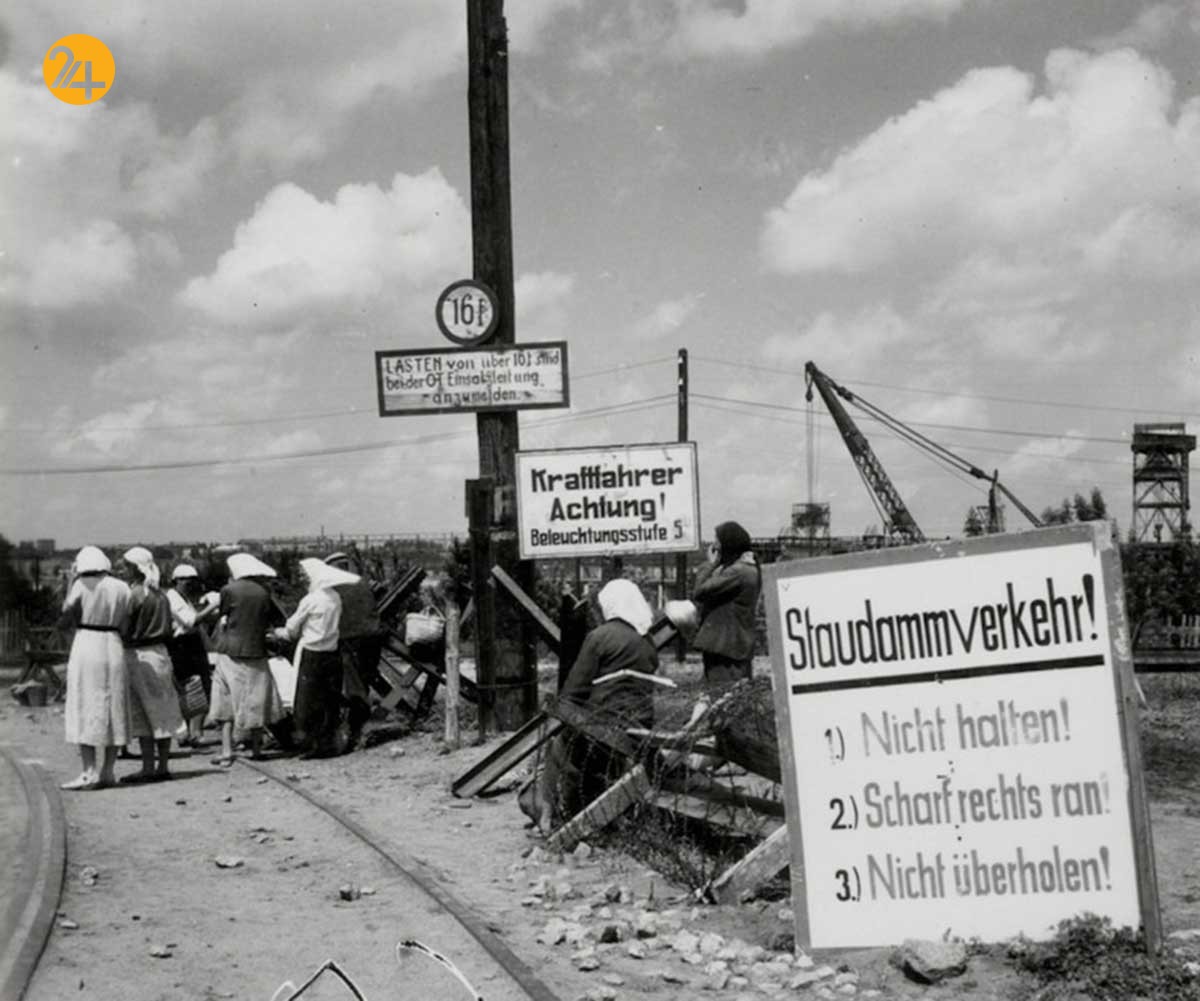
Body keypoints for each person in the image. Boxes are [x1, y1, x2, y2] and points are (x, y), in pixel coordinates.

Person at [536, 579, 659, 831]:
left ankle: (549, 816)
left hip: (606, 724)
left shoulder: (600, 637)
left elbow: (574, 690)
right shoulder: (647, 641)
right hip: (639, 726)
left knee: (561, 745)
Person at [60, 546, 132, 790]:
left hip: (87, 643)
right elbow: (127, 622)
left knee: (84, 703)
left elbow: (66, 613)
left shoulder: (81, 584)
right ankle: (108, 770)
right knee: (114, 706)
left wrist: (70, 583)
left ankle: (89, 770)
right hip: (113, 644)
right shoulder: (122, 587)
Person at [209, 553, 284, 766]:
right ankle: (257, 749)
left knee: (224, 700)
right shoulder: (264, 592)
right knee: (256, 700)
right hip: (256, 651)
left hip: (229, 650)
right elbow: (276, 619)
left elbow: (223, 615)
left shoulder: (229, 590)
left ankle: (226, 750)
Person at [273, 558, 352, 759]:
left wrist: (278, 632)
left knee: (307, 700)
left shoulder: (311, 600)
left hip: (312, 653)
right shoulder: (335, 597)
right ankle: (328, 741)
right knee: (329, 699)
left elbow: (292, 629)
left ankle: (312, 742)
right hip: (331, 651)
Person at [120, 546, 184, 783]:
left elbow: (124, 628)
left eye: (126, 566)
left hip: (138, 655)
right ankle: (163, 765)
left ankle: (148, 766)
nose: (124, 570)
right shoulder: (161, 596)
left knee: (142, 713)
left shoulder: (134, 595)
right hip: (160, 653)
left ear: (135, 569)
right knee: (162, 710)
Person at [691, 521, 762, 688]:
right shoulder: (746, 569)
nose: (714, 546)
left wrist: (711, 564)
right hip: (729, 647)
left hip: (726, 647)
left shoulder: (738, 572)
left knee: (722, 694)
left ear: (728, 544)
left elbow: (700, 592)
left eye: (717, 541)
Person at [324, 551, 383, 747]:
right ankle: (361, 727)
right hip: (373, 638)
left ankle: (356, 733)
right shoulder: (361, 582)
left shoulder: (332, 588)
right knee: (363, 682)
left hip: (349, 640)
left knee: (353, 688)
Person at [165, 564, 219, 746]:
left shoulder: (183, 598)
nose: (189, 583)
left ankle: (191, 732)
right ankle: (194, 733)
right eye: (185, 580)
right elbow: (191, 621)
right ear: (176, 581)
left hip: (189, 644)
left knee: (195, 687)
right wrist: (214, 605)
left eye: (192, 580)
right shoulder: (173, 598)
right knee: (195, 687)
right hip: (184, 646)